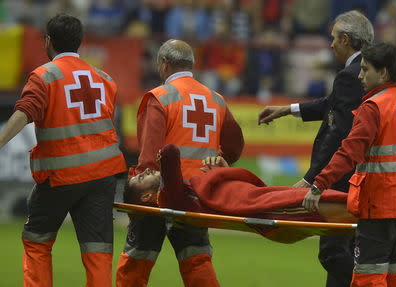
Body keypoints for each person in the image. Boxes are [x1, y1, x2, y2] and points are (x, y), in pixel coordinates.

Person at [0, 14, 127, 287]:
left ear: (48, 41)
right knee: (98, 250)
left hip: (61, 175)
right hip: (103, 175)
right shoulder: (105, 78)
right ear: (80, 42)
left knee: (37, 241)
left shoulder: (44, 76)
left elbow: (25, 112)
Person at [302, 42, 396, 287]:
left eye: (365, 69)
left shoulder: (374, 107)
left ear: (383, 73)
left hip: (384, 205)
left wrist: (319, 183)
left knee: (368, 274)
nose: (360, 75)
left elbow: (349, 151)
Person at [258, 10, 374, 287]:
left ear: (346, 39)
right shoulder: (365, 72)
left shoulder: (350, 75)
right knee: (350, 251)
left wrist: (312, 178)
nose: (330, 44)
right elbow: (331, 104)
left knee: (333, 252)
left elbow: (338, 134)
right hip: (365, 176)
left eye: (333, 38)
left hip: (343, 181)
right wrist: (288, 109)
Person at [115, 39, 244, 287]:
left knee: (136, 262)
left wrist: (137, 203)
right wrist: (218, 161)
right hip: (197, 194)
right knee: (197, 261)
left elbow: (148, 159)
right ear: (191, 65)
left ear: (164, 64)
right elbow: (235, 148)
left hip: (159, 195)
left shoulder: (159, 97)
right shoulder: (215, 99)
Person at [124, 144, 356, 227]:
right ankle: (374, 212)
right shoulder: (170, 200)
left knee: (336, 201)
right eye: (141, 178)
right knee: (338, 203)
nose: (144, 171)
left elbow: (222, 195)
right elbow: (170, 152)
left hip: (257, 197)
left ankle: (373, 211)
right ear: (146, 197)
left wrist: (222, 170)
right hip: (259, 204)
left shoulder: (183, 195)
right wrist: (159, 158)